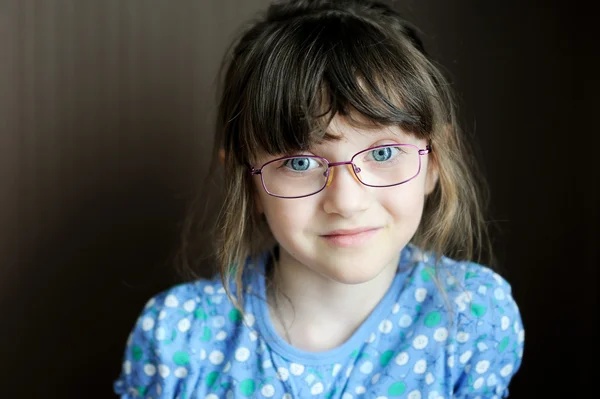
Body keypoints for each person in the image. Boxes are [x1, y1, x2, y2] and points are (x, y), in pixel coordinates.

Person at [113, 0, 525, 397]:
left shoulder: (472, 319)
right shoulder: (178, 339)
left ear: (433, 162)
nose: (346, 202)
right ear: (247, 183)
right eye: (298, 163)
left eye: (382, 153)